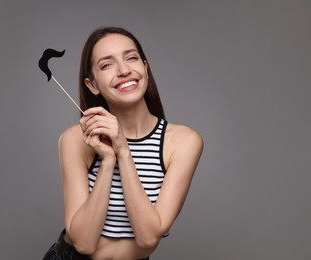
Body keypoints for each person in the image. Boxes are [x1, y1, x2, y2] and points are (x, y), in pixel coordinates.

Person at [43, 26, 203, 260]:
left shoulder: (183, 142)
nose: (124, 70)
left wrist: (123, 152)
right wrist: (107, 160)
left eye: (131, 58)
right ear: (92, 85)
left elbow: (148, 237)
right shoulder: (76, 139)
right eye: (107, 65)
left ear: (145, 68)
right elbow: (84, 243)